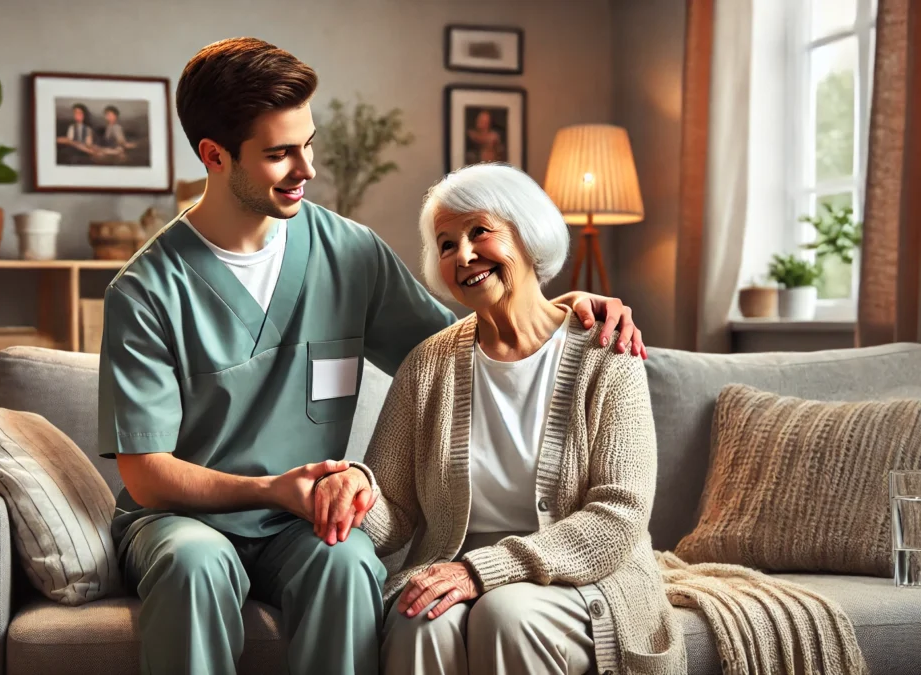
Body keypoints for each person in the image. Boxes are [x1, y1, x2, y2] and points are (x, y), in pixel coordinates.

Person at [98, 37, 646, 675]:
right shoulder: (143, 291)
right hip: (180, 522)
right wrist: (273, 489)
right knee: (196, 565)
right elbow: (146, 474)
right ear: (214, 156)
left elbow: (463, 346)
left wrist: (558, 309)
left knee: (349, 560)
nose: (306, 168)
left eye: (308, 143)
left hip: (302, 525)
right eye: (279, 154)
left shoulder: (350, 254)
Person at [362, 163, 684, 675]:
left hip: (583, 578)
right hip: (453, 569)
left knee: (507, 613)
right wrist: (350, 492)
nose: (463, 254)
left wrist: (483, 570)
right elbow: (395, 508)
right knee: (416, 617)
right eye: (446, 245)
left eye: (480, 232)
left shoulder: (605, 354)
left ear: (527, 233)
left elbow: (618, 515)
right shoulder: (429, 364)